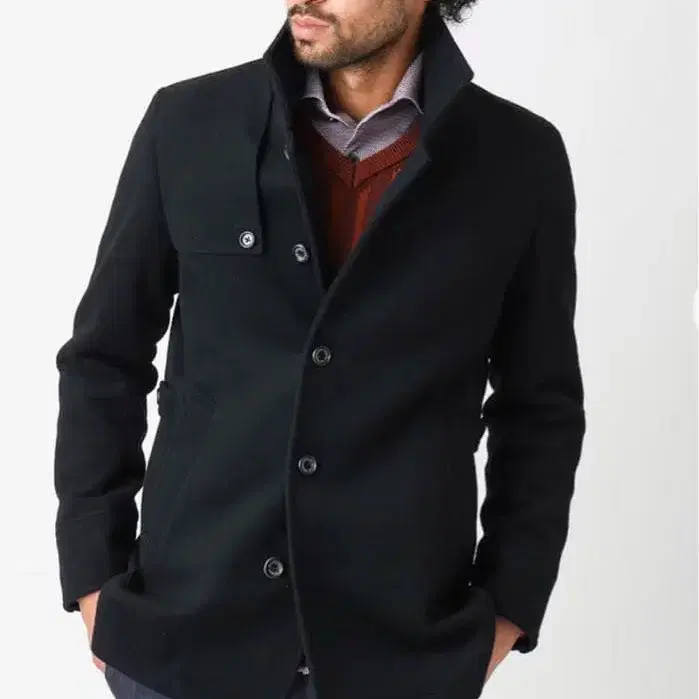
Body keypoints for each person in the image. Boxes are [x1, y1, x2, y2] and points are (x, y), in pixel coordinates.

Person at [53, 1, 586, 698]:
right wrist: (93, 577)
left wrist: (509, 608)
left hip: (397, 656)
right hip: (183, 644)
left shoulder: (517, 158)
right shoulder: (188, 123)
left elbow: (539, 407)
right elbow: (104, 358)